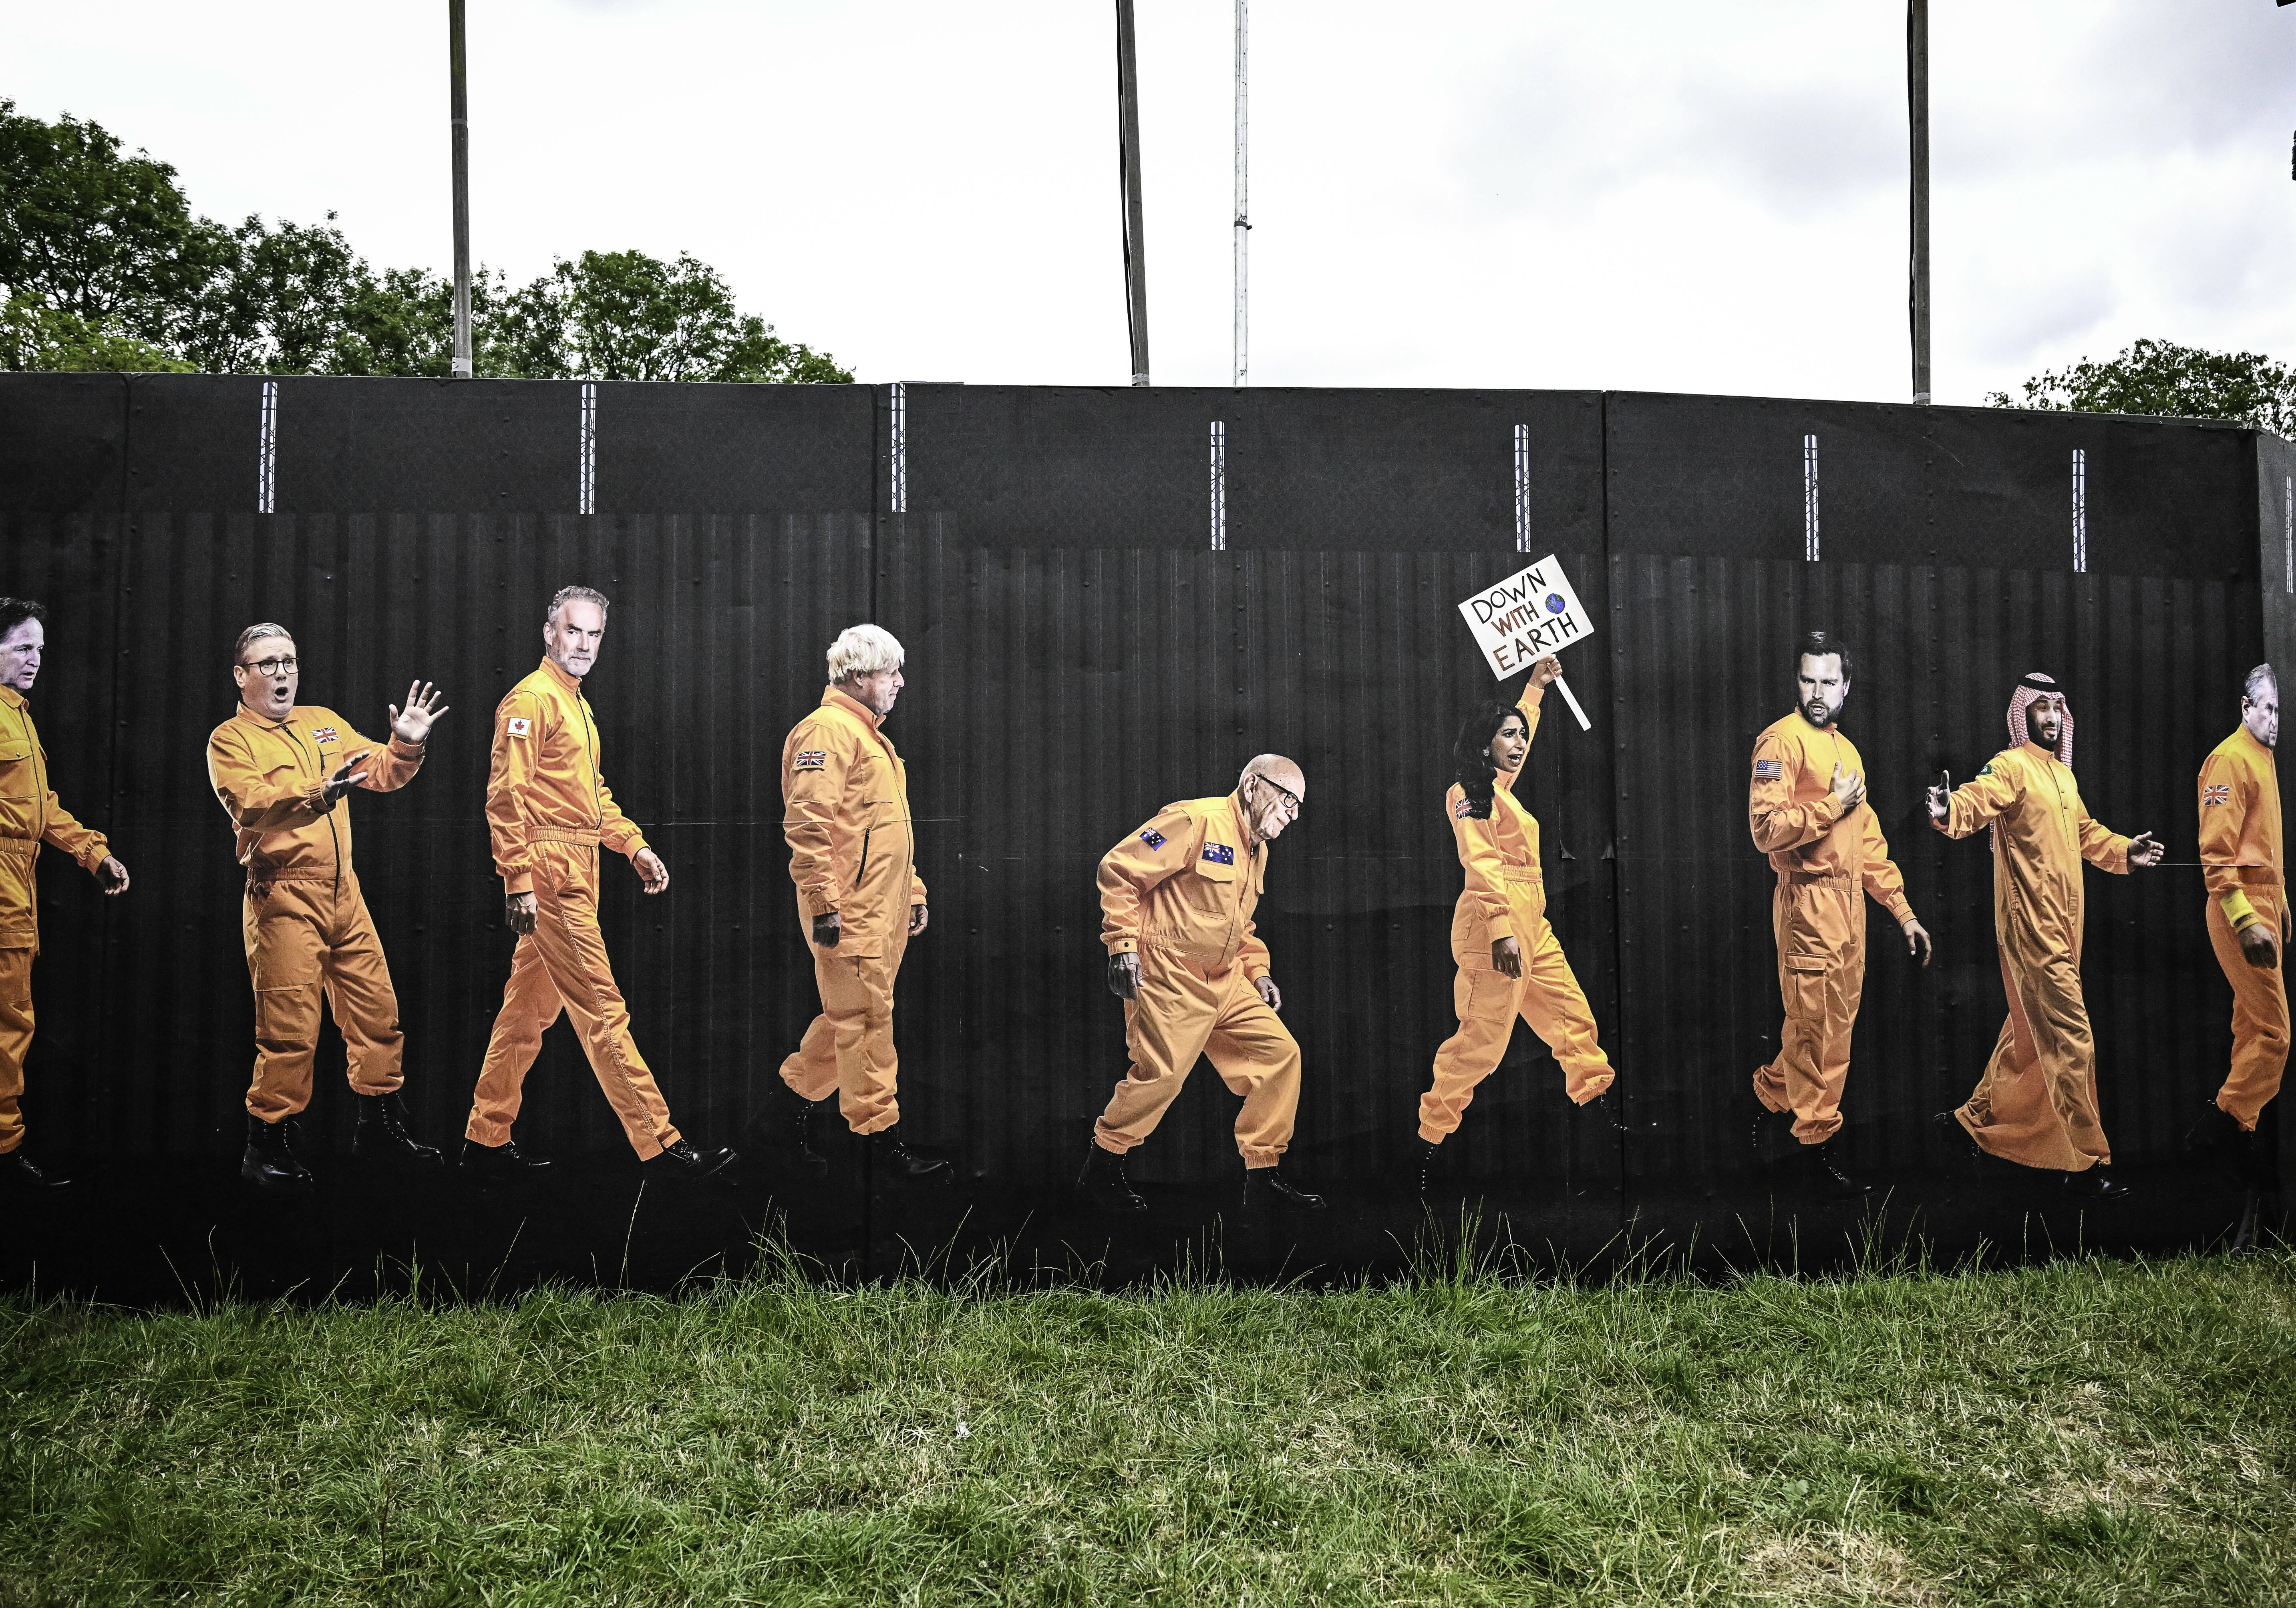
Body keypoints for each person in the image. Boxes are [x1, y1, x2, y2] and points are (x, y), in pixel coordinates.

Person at [463, 586, 734, 1186]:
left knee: (524, 1014)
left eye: (594, 634)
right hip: (552, 871)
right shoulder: (532, 700)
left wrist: (632, 845)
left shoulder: (574, 703)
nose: (584, 645)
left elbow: (591, 798)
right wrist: (518, 881)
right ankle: (662, 1146)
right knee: (603, 1009)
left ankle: (485, 1137)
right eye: (574, 631)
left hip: (575, 863)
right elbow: (504, 798)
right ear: (548, 633)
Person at [206, 623, 444, 1190]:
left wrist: (407, 742)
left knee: (377, 1013)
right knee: (290, 1030)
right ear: (241, 676)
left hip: (344, 892)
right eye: (267, 664)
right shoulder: (230, 740)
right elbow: (251, 803)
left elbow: (380, 772)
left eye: (289, 661)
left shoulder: (323, 723)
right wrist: (319, 793)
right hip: (283, 894)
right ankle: (267, 1147)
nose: (283, 673)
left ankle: (380, 1130)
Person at [1928, 672, 2162, 1197]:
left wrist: (2127, 852)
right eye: (2041, 708)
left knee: (2029, 1031)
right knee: (2072, 1037)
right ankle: (2088, 1163)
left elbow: (2086, 834)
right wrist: (1948, 810)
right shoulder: (2010, 767)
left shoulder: (2062, 777)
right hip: (2031, 927)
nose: (2052, 717)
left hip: (2064, 927)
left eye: (2058, 708)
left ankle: (1970, 1121)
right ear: (2022, 715)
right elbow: (1974, 799)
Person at [1077, 754, 1325, 1220]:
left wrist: (1259, 972)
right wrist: (1122, 944)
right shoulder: (1194, 820)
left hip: (1226, 979)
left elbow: (1241, 925)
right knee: (1162, 1074)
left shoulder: (1258, 849)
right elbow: (1119, 869)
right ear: (1253, 786)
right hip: (1170, 974)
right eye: (1288, 798)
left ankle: (1263, 1175)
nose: (1293, 813)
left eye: (1299, 807)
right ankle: (1102, 1168)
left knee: (1280, 1055)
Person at [1414, 661, 1614, 1193]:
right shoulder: (1467, 793)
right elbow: (1479, 863)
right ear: (1484, 745)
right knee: (1481, 1042)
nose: (1519, 742)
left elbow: (1519, 728)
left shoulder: (1498, 789)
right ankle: (1428, 1143)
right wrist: (1502, 929)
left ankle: (1600, 1117)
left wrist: (1535, 691)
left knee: (1571, 1016)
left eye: (1522, 736)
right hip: (1492, 924)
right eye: (1507, 736)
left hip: (1532, 922)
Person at [1747, 631, 1932, 1196]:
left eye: (1829, 681)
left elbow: (1867, 844)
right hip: (1808, 902)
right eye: (1809, 679)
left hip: (1849, 907)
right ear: (1796, 681)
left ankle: (1768, 1100)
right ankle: (1813, 1148)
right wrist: (1832, 805)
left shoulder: (1847, 751)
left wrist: (1902, 912)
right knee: (1815, 1028)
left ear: (1846, 686)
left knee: (1834, 1027)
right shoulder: (1780, 743)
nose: (1818, 690)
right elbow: (1766, 830)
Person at [769, 623, 949, 1183]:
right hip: (851, 913)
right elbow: (807, 825)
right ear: (857, 677)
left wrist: (912, 891)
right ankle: (877, 1146)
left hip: (881, 910)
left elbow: (888, 831)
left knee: (846, 1019)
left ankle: (775, 1124)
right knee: (867, 1020)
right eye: (889, 673)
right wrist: (825, 903)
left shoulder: (872, 737)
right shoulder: (826, 732)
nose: (899, 683)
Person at [0, 598, 129, 1190]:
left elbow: (41, 807)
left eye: (40, 650)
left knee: (11, 1025)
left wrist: (93, 853)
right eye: (24, 647)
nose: (35, 660)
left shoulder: (17, 715)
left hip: (15, 889)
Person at [2192, 662, 2285, 1241]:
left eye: (2280, 709)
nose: (2274, 719)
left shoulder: (2264, 759)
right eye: (2266, 708)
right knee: (2276, 1036)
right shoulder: (2229, 759)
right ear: (2245, 707)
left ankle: (2240, 1138)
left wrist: (2280, 913)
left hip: (2265, 906)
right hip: (2239, 909)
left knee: (2253, 1032)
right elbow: (2217, 852)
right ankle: (2223, 1119)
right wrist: (2246, 918)